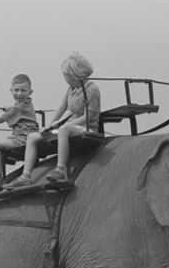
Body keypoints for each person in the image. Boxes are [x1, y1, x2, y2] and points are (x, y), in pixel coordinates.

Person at [6, 53, 101, 189]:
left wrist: (66, 125)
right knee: (33, 137)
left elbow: (90, 116)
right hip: (70, 125)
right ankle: (26, 176)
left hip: (85, 126)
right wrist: (49, 125)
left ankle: (60, 170)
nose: (64, 78)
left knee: (63, 130)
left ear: (74, 74)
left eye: (65, 75)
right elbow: (62, 107)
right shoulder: (72, 88)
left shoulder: (92, 89)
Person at [0, 74, 39, 195]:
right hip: (17, 136)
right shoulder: (21, 104)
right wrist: (9, 108)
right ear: (11, 91)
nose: (19, 93)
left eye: (23, 91)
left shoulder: (20, 106)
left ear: (30, 92)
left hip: (25, 137)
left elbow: (1, 119)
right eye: (16, 90)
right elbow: (14, 109)